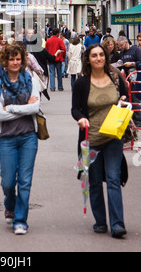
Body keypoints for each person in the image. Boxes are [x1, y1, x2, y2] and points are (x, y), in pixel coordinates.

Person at [71, 44, 128, 238]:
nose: (98, 58)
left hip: (113, 137)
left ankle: (118, 224)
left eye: (101, 55)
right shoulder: (81, 83)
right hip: (91, 138)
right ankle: (100, 221)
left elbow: (125, 96)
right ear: (88, 59)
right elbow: (75, 108)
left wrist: (122, 98)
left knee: (113, 179)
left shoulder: (115, 77)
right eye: (94, 55)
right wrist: (80, 118)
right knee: (95, 182)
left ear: (106, 57)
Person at [0, 42, 40, 235]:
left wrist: (10, 108)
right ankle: (9, 204)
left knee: (25, 181)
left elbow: (35, 108)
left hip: (29, 137)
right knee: (8, 182)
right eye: (11, 59)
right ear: (5, 60)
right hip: (7, 139)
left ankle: (20, 221)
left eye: (18, 59)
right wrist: (23, 109)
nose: (14, 62)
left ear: (22, 60)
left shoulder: (31, 80)